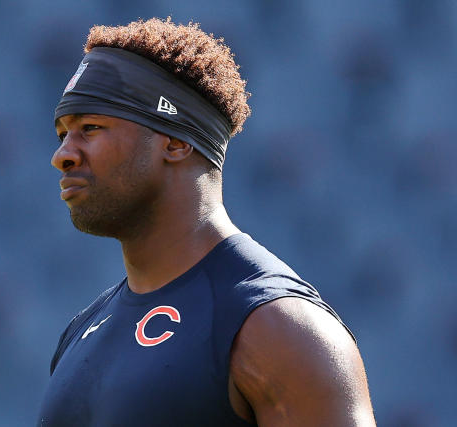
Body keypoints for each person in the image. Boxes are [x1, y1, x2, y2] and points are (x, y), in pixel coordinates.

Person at [37, 17, 375, 426]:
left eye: (91, 128)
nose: (63, 155)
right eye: (62, 134)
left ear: (177, 141)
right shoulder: (81, 332)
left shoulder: (279, 327)